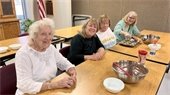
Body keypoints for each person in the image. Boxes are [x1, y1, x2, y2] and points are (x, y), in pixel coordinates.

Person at [15, 18, 77, 95]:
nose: (48, 38)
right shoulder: (23, 54)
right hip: (29, 93)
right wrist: (54, 85)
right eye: (43, 34)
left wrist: (72, 70)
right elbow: (24, 84)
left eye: (50, 34)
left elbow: (63, 62)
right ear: (34, 36)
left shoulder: (50, 48)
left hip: (49, 90)